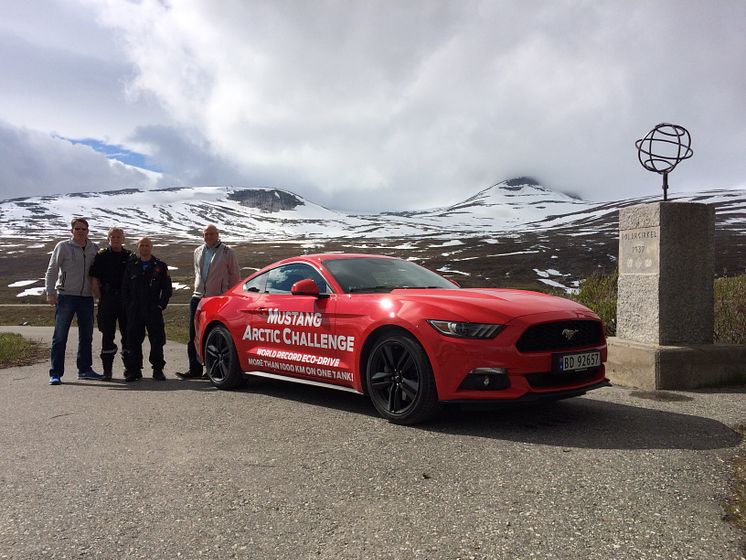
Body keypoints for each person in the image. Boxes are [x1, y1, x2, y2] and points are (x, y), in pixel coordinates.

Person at [176, 224, 240, 379]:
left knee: (212, 334)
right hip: (198, 297)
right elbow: (197, 272)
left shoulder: (227, 252)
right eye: (206, 234)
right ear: (202, 235)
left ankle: (211, 370)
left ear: (217, 234)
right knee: (193, 334)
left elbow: (235, 276)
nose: (209, 237)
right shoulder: (197, 251)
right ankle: (194, 369)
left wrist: (229, 296)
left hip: (217, 298)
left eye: (212, 234)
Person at [45, 218, 102, 385]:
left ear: (88, 231)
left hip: (86, 297)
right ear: (72, 231)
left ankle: (84, 369)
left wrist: (99, 294)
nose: (80, 231)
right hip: (66, 296)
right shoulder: (63, 246)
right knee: (60, 336)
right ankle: (56, 373)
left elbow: (97, 273)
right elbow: (52, 269)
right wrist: (50, 292)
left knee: (86, 335)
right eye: (77, 229)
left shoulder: (94, 248)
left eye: (83, 229)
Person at [121, 237, 173, 382]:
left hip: (153, 309)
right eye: (142, 245)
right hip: (135, 309)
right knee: (133, 340)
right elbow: (125, 287)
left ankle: (158, 369)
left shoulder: (160, 266)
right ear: (138, 247)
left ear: (151, 247)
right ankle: (134, 370)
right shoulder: (132, 265)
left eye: (147, 245)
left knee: (157, 340)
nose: (144, 248)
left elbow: (167, 289)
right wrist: (128, 305)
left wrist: (161, 305)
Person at [89, 227, 132, 381]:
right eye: (112, 237)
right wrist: (100, 297)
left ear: (123, 239)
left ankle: (129, 369)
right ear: (108, 238)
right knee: (107, 335)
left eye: (118, 237)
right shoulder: (102, 256)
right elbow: (94, 279)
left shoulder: (129, 256)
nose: (115, 239)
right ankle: (107, 371)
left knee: (128, 336)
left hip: (125, 301)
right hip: (107, 300)